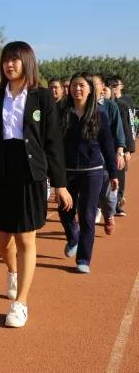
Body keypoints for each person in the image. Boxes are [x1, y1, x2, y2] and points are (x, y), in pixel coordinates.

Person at [0, 41, 72, 328]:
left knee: (26, 238)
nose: (9, 64)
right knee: (3, 240)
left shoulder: (42, 97)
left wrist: (60, 183)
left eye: (15, 60)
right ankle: (12, 271)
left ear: (27, 62)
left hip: (29, 171)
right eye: (6, 60)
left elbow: (53, 142)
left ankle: (20, 302)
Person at [60, 73, 117, 273]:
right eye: (74, 85)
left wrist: (113, 173)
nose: (77, 89)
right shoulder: (62, 113)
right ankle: (73, 237)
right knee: (65, 211)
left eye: (82, 85)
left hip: (92, 171)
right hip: (67, 171)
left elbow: (107, 145)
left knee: (87, 215)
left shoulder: (99, 114)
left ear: (90, 89)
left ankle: (83, 259)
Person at [93, 74, 125, 234]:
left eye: (95, 83)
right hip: (87, 157)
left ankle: (109, 214)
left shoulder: (110, 106)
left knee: (107, 191)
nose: (92, 86)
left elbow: (118, 130)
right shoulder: (80, 105)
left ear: (102, 87)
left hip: (106, 155)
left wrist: (120, 151)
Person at [108, 76, 134, 217]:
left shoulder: (124, 104)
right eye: (110, 86)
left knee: (119, 176)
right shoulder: (100, 104)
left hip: (120, 147)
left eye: (115, 85)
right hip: (105, 147)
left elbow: (128, 127)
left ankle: (117, 203)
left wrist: (128, 149)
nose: (112, 88)